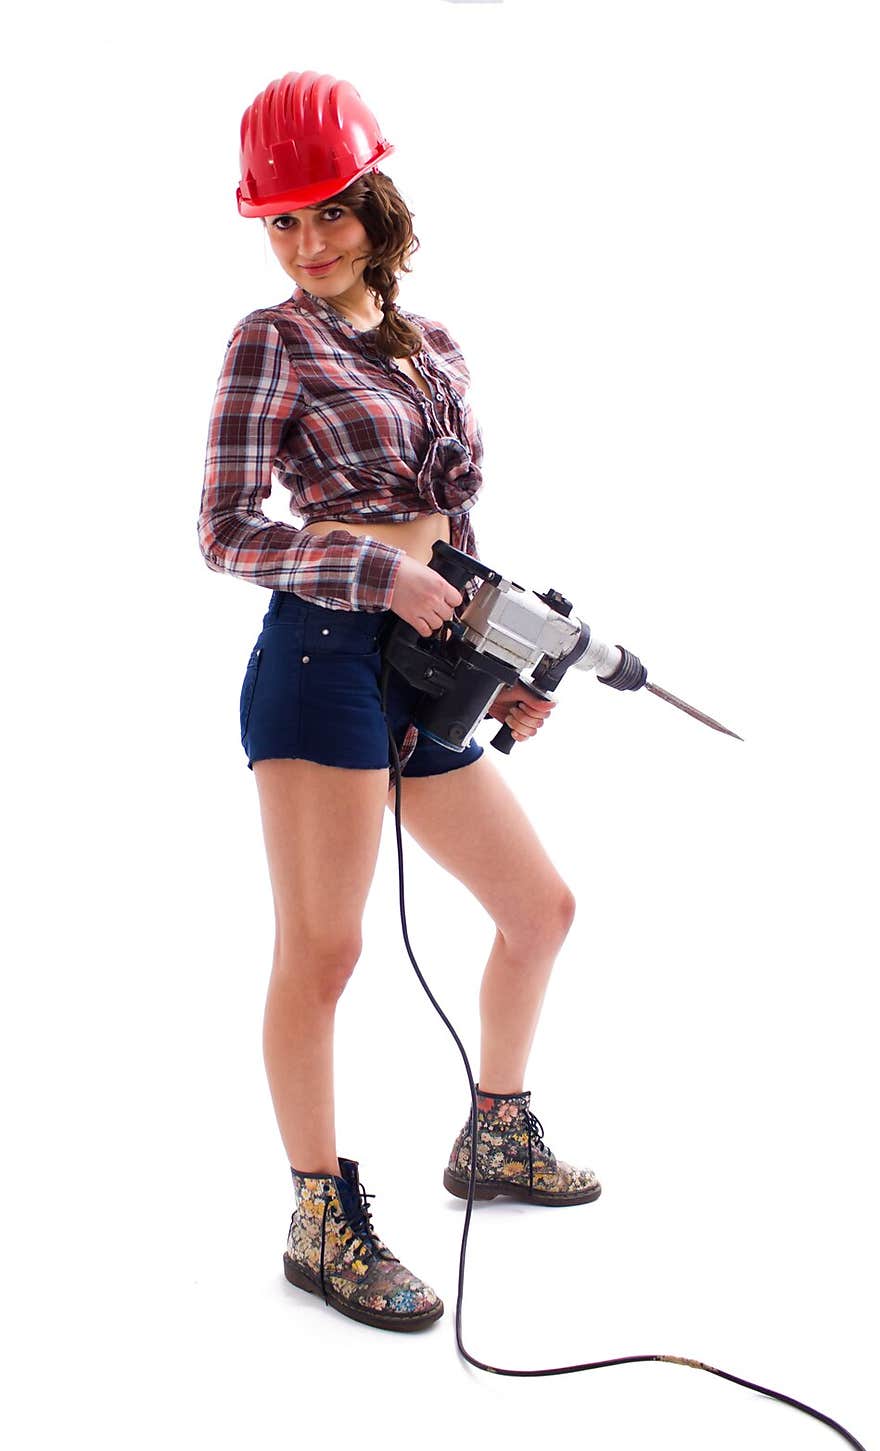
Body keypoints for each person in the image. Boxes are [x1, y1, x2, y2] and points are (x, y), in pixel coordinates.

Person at [197, 69, 601, 1334]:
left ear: (377, 204)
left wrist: (510, 661)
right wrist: (375, 566)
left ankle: (495, 1135)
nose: (308, 244)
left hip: (427, 659)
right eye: (282, 222)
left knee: (538, 908)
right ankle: (319, 1219)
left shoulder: (433, 347)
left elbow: (454, 525)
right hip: (319, 662)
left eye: (328, 212)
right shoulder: (269, 340)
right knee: (327, 951)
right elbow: (222, 528)